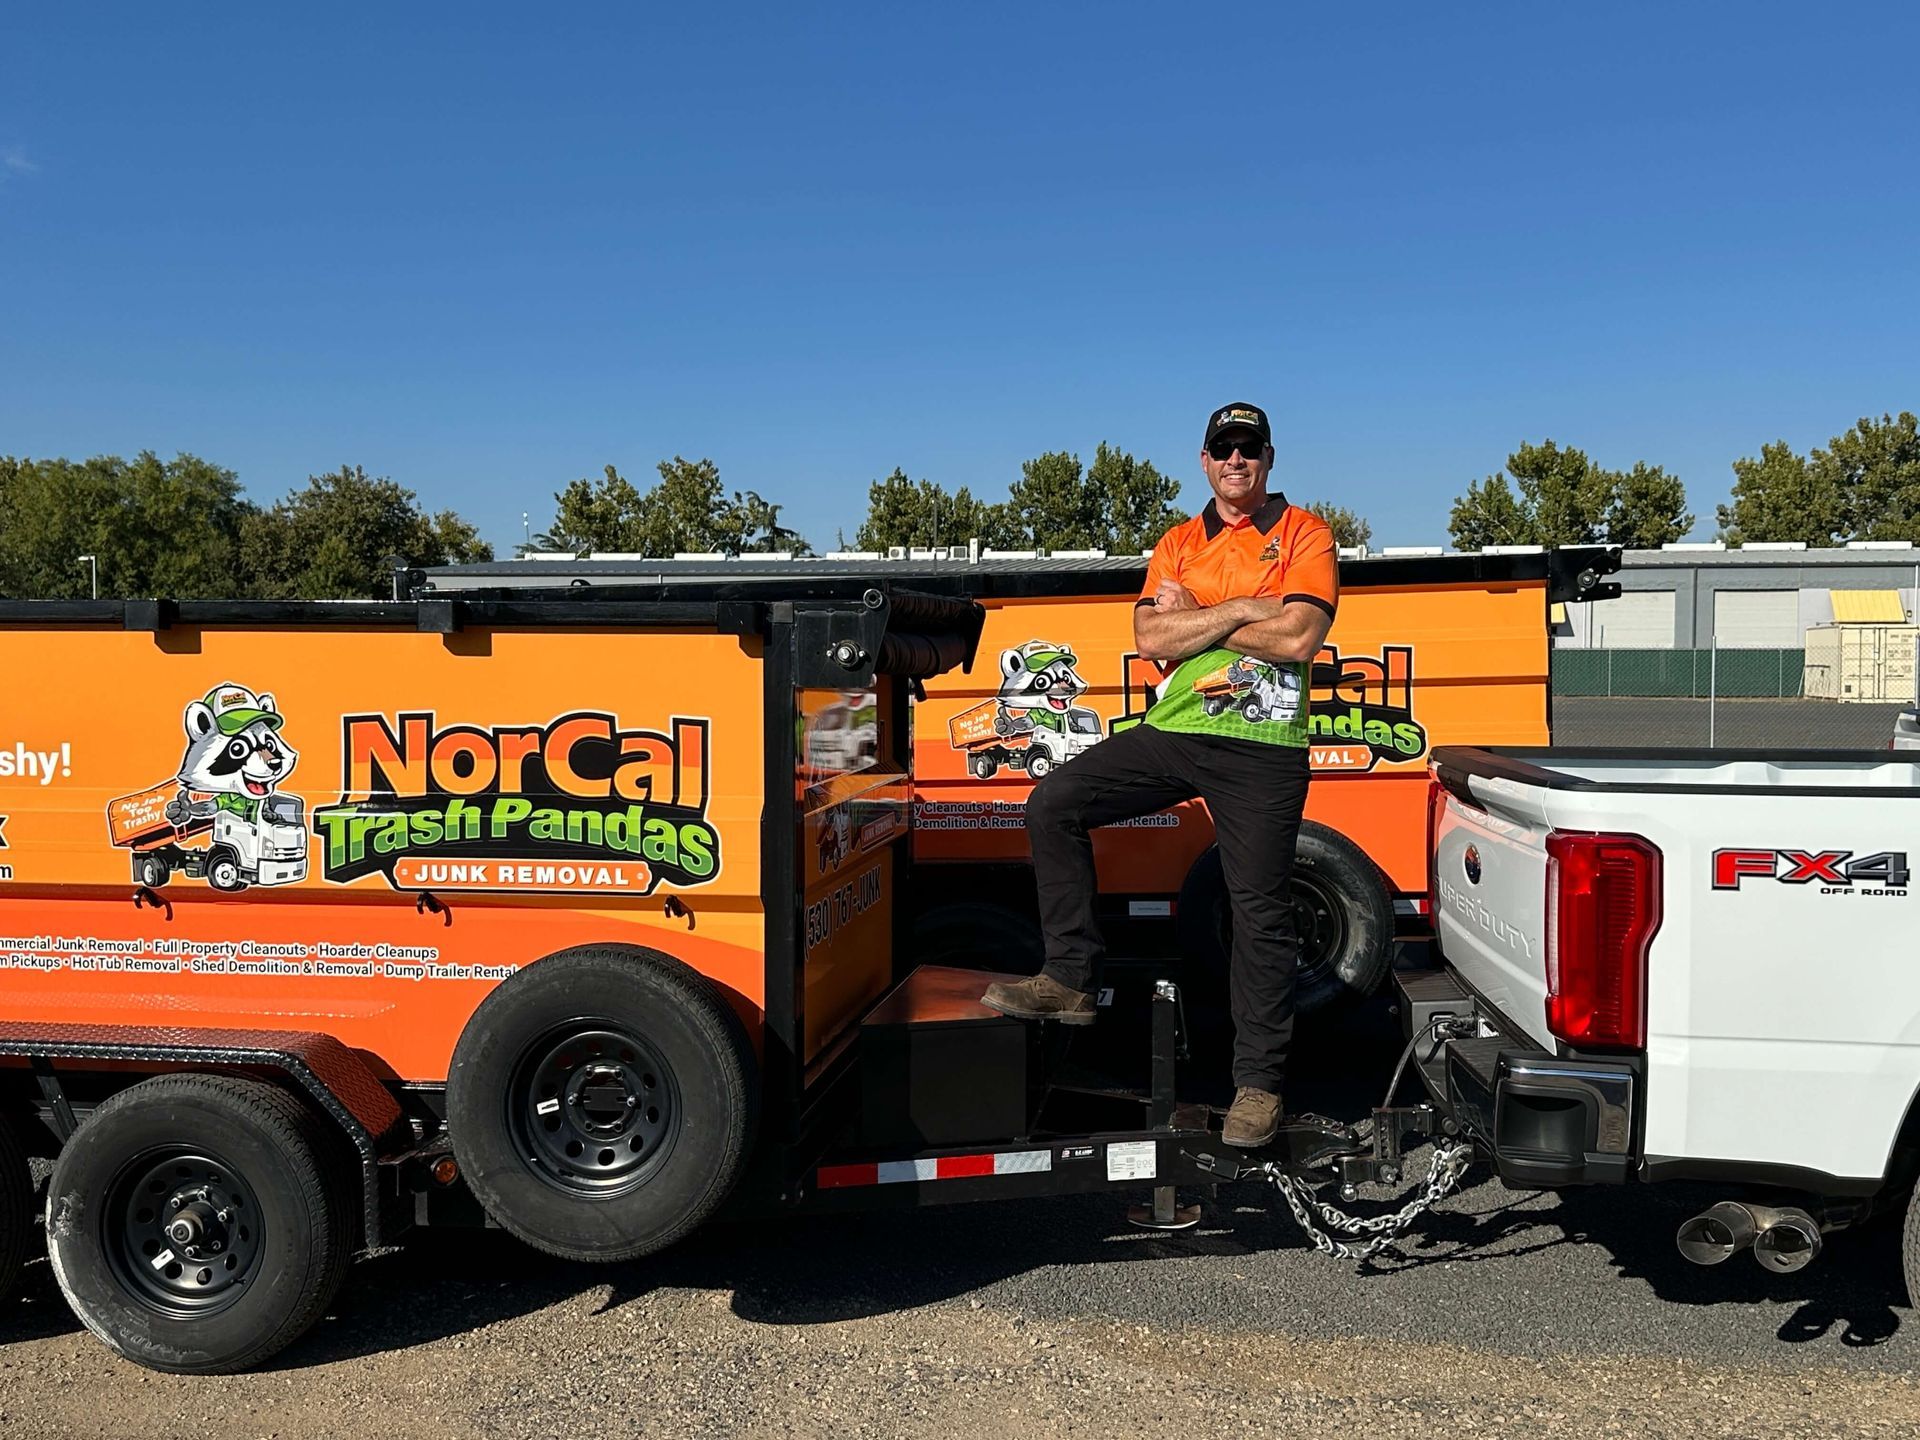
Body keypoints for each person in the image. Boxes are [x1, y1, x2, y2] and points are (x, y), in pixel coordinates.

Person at [980, 401, 1338, 1148]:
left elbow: (1301, 635)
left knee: (1259, 915)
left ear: (1268, 458)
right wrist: (1246, 605)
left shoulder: (1304, 531)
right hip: (1175, 728)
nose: (1235, 461)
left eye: (1248, 448)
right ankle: (1071, 978)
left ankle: (1258, 1088)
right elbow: (1149, 635)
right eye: (1222, 449)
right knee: (1053, 804)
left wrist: (1201, 611)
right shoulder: (1177, 540)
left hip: (1263, 745)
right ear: (1204, 461)